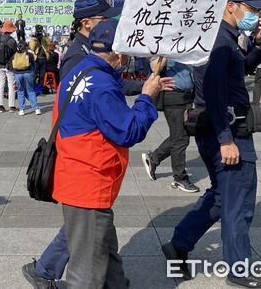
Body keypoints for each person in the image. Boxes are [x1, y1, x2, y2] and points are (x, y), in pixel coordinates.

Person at [161, 0, 261, 289]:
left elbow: (240, 73)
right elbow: (214, 92)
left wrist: (257, 43)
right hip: (225, 128)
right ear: (231, 6)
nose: (256, 15)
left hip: (219, 126)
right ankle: (240, 270)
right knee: (238, 201)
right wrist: (226, 139)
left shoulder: (225, 37)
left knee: (220, 195)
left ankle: (179, 243)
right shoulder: (219, 41)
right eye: (252, 10)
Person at [23, 0, 145, 287]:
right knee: (87, 259)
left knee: (99, 242)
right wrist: (148, 98)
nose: (110, 22)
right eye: (105, 19)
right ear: (87, 23)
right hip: (86, 170)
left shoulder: (85, 57)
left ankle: (53, 271)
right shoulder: (81, 60)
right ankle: (44, 270)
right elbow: (120, 125)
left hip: (81, 171)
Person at [49, 19, 172, 288]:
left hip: (74, 172)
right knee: (87, 272)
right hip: (88, 180)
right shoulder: (103, 85)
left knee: (105, 249)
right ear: (119, 52)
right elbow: (128, 132)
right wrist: (146, 97)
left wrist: (149, 78)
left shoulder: (82, 67)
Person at [142, 59, 198, 192]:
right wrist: (166, 53)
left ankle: (153, 158)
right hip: (173, 97)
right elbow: (154, 66)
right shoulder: (165, 47)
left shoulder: (186, 48)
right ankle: (179, 178)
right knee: (180, 139)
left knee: (179, 136)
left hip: (186, 97)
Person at [11, 41, 41, 116]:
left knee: (20, 91)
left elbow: (11, 65)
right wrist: (34, 73)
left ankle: (21, 109)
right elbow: (35, 65)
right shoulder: (29, 54)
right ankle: (36, 108)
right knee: (30, 90)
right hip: (28, 73)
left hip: (17, 74)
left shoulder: (14, 55)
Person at [0, 20, 18, 112]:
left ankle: (0, 106)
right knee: (11, 85)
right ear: (11, 30)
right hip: (9, 65)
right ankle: (11, 106)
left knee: (1, 85)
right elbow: (15, 53)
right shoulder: (12, 41)